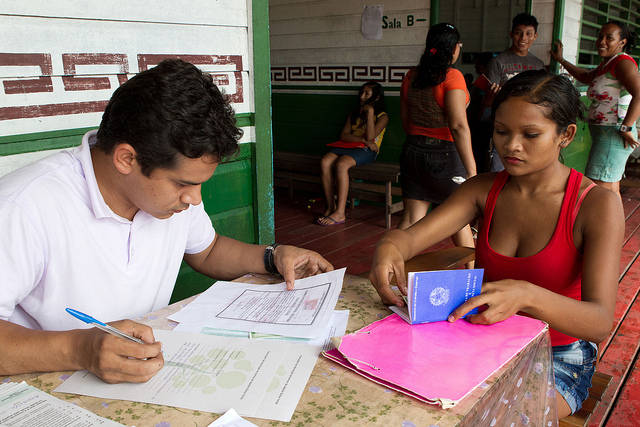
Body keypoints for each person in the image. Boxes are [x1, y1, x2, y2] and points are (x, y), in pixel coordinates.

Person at [0, 59, 333, 384]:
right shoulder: (23, 206)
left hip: (146, 379)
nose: (194, 199)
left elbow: (208, 250)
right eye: (183, 184)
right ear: (126, 159)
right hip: (45, 391)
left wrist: (273, 257)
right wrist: (81, 348)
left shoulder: (170, 200)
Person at [369, 70, 623, 418]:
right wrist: (389, 248)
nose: (511, 146)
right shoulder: (483, 189)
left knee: (487, 417)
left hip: (558, 356)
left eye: (530, 134)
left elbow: (598, 321)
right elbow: (408, 238)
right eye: (502, 131)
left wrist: (527, 295)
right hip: (483, 341)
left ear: (566, 135)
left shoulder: (596, 205)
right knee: (395, 391)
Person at [397, 22, 476, 256]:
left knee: (410, 221)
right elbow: (459, 126)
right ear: (453, 48)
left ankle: (392, 272)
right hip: (445, 157)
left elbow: (405, 120)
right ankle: (472, 276)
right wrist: (472, 172)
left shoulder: (410, 76)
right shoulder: (452, 77)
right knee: (459, 220)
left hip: (412, 151)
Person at [551, 21, 640, 198]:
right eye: (600, 36)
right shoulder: (608, 64)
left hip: (614, 135)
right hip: (606, 135)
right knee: (609, 189)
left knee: (597, 191)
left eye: (609, 38)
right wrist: (561, 60)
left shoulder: (622, 63)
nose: (602, 42)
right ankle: (614, 225)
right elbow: (584, 76)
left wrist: (627, 126)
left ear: (622, 42)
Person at [318, 81, 388, 226]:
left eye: (367, 94)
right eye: (361, 93)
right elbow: (343, 135)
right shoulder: (354, 113)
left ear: (375, 98)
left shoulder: (382, 117)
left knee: (342, 164)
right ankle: (331, 206)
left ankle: (340, 213)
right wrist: (362, 140)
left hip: (367, 151)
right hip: (349, 145)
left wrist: (370, 114)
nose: (362, 96)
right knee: (325, 161)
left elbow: (371, 138)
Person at [481, 13, 545, 171]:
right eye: (518, 33)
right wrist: (493, 96)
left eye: (528, 33)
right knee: (499, 169)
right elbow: (488, 102)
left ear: (535, 36)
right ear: (511, 34)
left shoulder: (538, 65)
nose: (523, 38)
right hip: (505, 125)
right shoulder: (498, 62)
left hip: (530, 127)